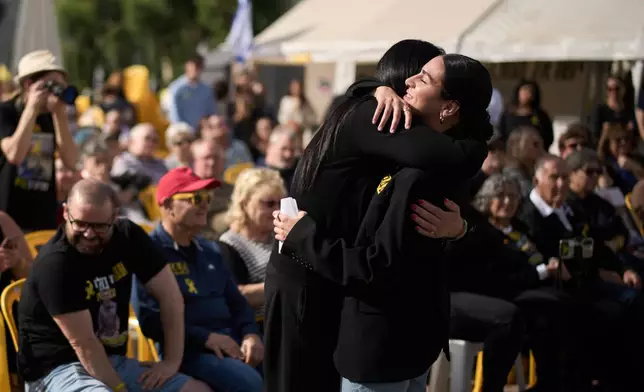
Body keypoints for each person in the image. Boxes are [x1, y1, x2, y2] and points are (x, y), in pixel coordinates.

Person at [264, 40, 489, 392]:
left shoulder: (378, 110)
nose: (415, 81)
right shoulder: (379, 114)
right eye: (415, 74)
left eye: (425, 77)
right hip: (307, 272)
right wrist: (481, 136)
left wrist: (458, 229)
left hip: (333, 266)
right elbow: (453, 158)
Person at [17, 179, 211, 392]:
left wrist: (171, 363)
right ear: (65, 213)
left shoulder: (127, 236)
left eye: (99, 226)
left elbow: (171, 297)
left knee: (197, 390)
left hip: (111, 360)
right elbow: (84, 344)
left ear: (115, 216)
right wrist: (119, 389)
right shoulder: (55, 263)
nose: (89, 234)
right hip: (56, 370)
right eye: (80, 223)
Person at [136, 167, 263, 392]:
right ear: (166, 205)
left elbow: (237, 302)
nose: (204, 204)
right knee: (250, 383)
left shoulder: (209, 249)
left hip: (231, 341)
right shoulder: (149, 252)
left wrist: (250, 333)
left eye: (207, 197)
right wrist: (206, 338)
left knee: (294, 366)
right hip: (188, 349)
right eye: (195, 198)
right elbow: (150, 319)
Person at [0, 50, 77, 232]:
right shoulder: (5, 112)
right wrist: (31, 109)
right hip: (7, 215)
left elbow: (71, 161)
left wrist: (60, 115)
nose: (55, 92)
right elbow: (14, 155)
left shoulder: (51, 116)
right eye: (50, 85)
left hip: (43, 216)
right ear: (29, 84)